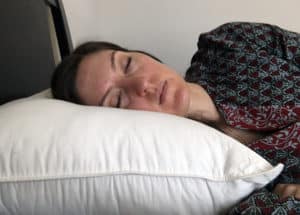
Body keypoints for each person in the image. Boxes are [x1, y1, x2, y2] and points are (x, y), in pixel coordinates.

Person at [51, 22, 300, 214]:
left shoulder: (229, 44)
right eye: (117, 100)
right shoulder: (198, 175)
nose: (141, 84)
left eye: (127, 64)